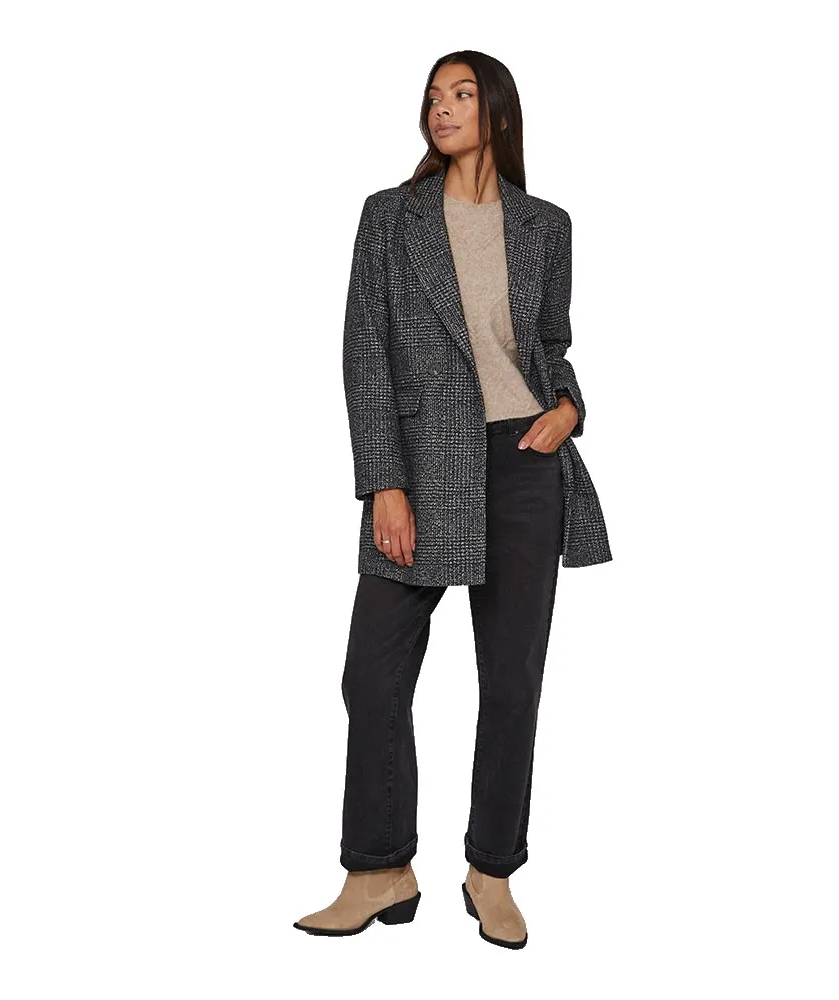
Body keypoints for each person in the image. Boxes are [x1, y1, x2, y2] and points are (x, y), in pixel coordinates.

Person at [294, 50, 612, 949]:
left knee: (511, 683)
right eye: (434, 96)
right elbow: (364, 352)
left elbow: (552, 345)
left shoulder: (546, 225)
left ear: (497, 112)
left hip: (524, 462)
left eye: (462, 94)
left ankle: (491, 871)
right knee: (372, 675)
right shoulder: (388, 217)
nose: (443, 108)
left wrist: (568, 409)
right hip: (423, 465)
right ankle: (379, 869)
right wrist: (383, 483)